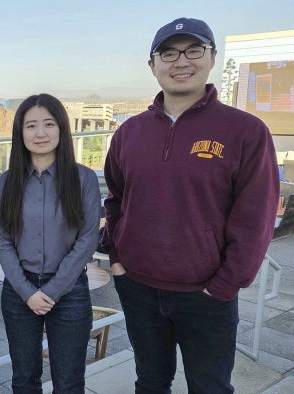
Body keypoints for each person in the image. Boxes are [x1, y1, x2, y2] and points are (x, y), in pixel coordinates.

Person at [102, 17, 280, 393]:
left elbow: (256, 218)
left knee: (210, 386)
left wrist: (225, 285)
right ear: (152, 65)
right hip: (138, 287)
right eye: (168, 53)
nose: (180, 62)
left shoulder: (246, 132)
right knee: (150, 382)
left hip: (207, 294)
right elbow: (116, 199)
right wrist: (116, 259)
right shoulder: (128, 133)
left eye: (193, 50)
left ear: (212, 57)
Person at [0, 94, 100, 393]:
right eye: (31, 126)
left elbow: (87, 239)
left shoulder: (83, 179)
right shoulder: (7, 181)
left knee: (68, 383)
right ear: (20, 132)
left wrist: (50, 291)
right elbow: (2, 240)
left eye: (49, 124)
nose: (40, 133)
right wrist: (28, 293)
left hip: (70, 293)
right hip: (18, 292)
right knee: (24, 380)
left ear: (62, 129)